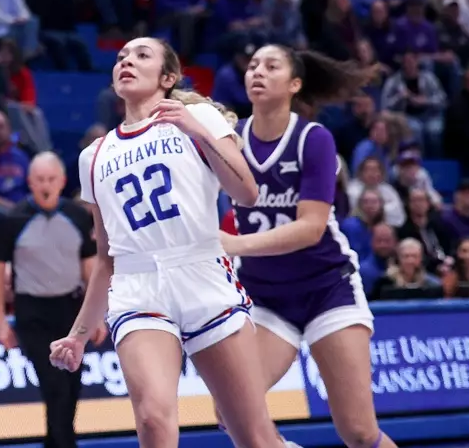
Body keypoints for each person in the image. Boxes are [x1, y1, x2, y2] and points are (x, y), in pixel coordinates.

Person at [52, 38, 299, 448]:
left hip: (201, 273)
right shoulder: (93, 156)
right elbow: (105, 258)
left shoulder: (197, 116)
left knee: (254, 436)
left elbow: (247, 192)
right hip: (138, 286)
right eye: (120, 58)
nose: (127, 61)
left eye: (141, 55)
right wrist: (79, 333)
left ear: (168, 78)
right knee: (151, 418)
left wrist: (196, 129)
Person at [222, 44, 400, 448]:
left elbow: (310, 228)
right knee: (231, 413)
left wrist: (235, 243)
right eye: (251, 66)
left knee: (358, 431)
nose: (257, 72)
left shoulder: (313, 139)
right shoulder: (230, 139)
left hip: (326, 289)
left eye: (271, 66)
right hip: (266, 298)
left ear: (294, 84)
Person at [0, 152, 97, 448]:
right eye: (39, 180)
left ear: (62, 182)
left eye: (51, 179)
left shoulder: (77, 215)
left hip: (71, 311)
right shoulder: (12, 220)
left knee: (71, 388)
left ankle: (55, 443)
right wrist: (0, 322)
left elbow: (91, 268)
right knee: (55, 386)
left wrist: (95, 315)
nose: (45, 186)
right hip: (33, 313)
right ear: (29, 182)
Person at [369, 239, 444, 301]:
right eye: (406, 256)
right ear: (398, 258)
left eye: (414, 256)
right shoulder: (384, 282)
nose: (410, 261)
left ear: (421, 258)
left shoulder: (432, 285)